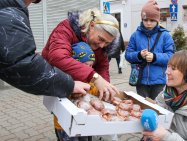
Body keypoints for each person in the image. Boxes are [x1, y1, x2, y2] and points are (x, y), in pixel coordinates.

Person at [42, 8, 120, 141]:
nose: (102, 45)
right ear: (92, 26)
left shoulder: (101, 46)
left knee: (86, 125)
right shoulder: (66, 28)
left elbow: (102, 67)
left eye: (107, 43)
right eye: (101, 39)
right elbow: (57, 57)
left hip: (83, 87)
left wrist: (104, 89)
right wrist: (94, 77)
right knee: (66, 124)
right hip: (60, 81)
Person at [0, 0, 89, 98]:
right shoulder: (8, 12)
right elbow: (22, 63)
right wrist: (69, 85)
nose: (102, 45)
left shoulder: (10, 8)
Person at [125, 0, 175, 100]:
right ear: (142, 19)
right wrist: (138, 55)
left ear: (157, 20)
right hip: (141, 81)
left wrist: (155, 57)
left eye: (152, 20)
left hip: (159, 81)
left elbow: (171, 56)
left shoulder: (165, 36)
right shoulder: (135, 35)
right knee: (143, 107)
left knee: (158, 107)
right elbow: (128, 55)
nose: (148, 23)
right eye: (145, 20)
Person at [54, 42, 98, 141]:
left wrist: (96, 89)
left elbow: (94, 91)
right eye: (85, 65)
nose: (88, 68)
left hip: (84, 122)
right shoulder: (64, 79)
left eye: (91, 66)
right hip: (65, 125)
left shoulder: (88, 79)